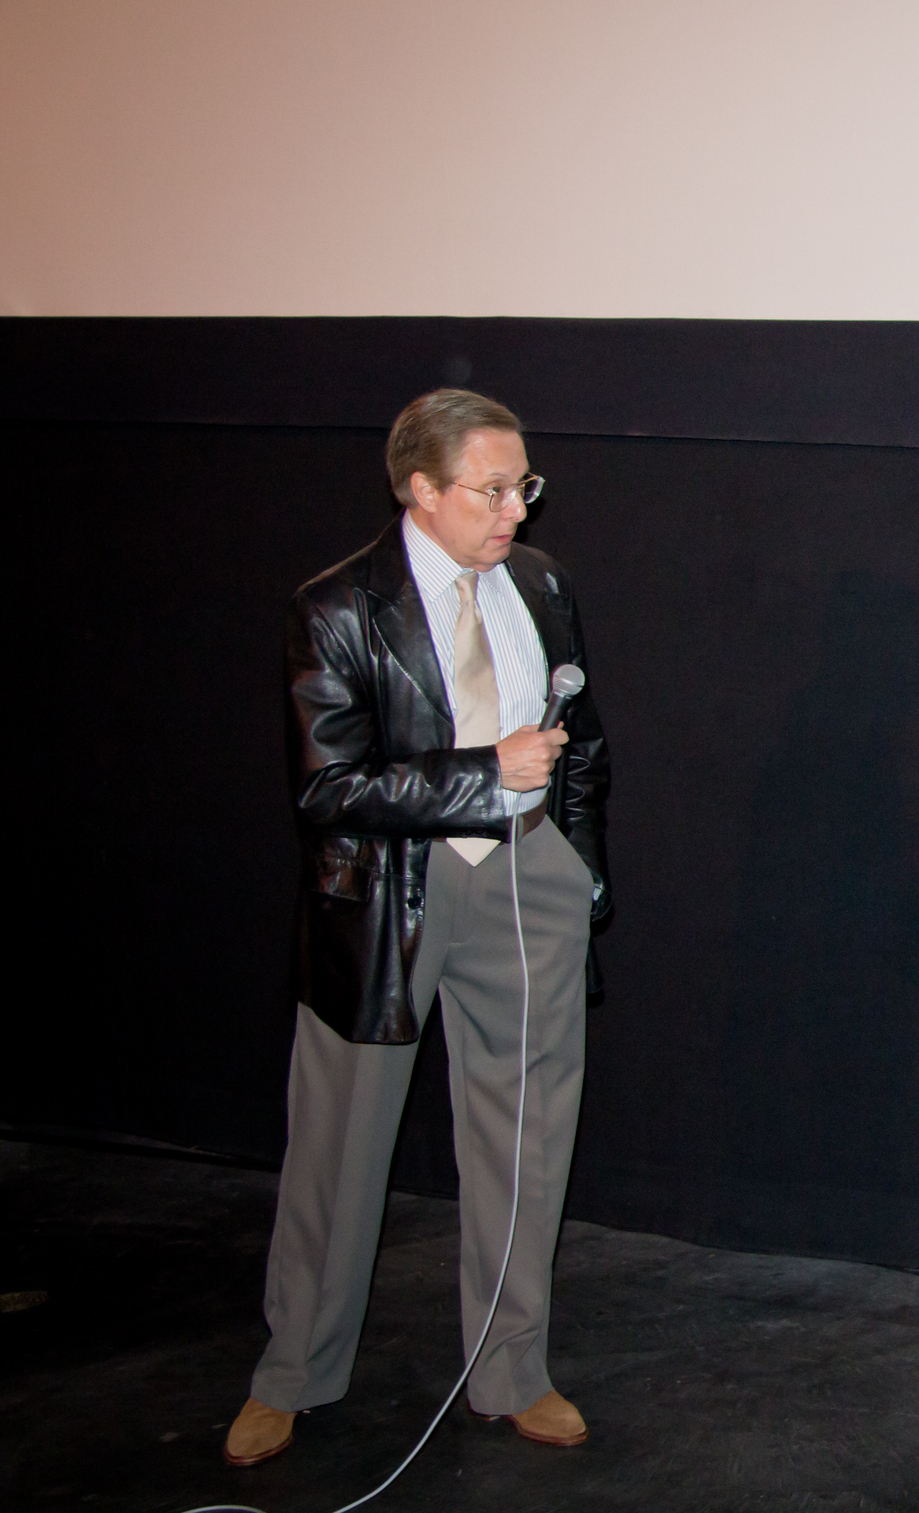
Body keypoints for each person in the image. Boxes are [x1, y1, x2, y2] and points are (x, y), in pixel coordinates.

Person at [222, 389, 611, 1467]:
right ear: (421, 489)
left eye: (522, 485)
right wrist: (479, 775)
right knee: (340, 1144)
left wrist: (574, 867)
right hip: (390, 890)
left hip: (527, 871)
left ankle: (511, 1369)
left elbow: (580, 744)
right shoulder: (338, 607)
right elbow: (326, 792)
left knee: (527, 1134)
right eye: (491, 489)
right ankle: (294, 1372)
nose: (515, 511)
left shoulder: (539, 585)